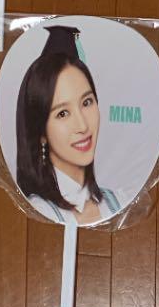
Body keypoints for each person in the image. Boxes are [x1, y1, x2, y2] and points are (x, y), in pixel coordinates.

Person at [15, 25, 119, 226]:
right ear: (41, 132)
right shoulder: (40, 211)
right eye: (62, 113)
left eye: (87, 102)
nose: (82, 126)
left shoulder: (117, 201)